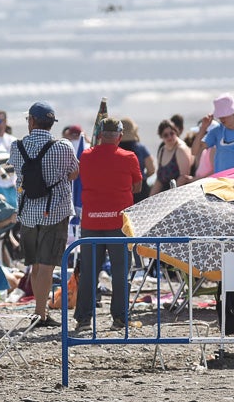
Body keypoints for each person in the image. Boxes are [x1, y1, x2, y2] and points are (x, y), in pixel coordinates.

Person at [7, 101, 79, 327]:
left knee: (35, 265)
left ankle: (39, 311)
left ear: (31, 121)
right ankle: (41, 313)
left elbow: (18, 172)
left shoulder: (16, 147)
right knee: (48, 264)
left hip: (27, 212)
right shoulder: (63, 146)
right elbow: (74, 172)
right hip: (54, 211)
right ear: (50, 124)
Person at [74, 118, 142, 331]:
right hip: (118, 223)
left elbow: (83, 177)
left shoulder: (86, 156)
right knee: (121, 271)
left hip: (91, 221)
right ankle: (120, 318)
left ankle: (84, 319)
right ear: (120, 136)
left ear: (100, 134)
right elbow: (138, 186)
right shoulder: (129, 157)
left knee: (89, 271)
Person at [190, 93, 234, 175]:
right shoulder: (217, 131)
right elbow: (194, 151)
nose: (221, 118)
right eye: (220, 115)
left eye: (224, 115)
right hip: (220, 181)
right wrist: (203, 128)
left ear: (233, 112)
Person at [117, 118, 153, 204]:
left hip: (120, 188)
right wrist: (142, 176)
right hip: (140, 188)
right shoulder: (141, 148)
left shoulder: (115, 149)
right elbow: (151, 169)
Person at [152, 119, 192, 195]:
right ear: (161, 137)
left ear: (176, 133)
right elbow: (159, 179)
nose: (169, 137)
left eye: (172, 133)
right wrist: (150, 198)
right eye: (166, 135)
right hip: (166, 194)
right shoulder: (162, 150)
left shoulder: (181, 149)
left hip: (179, 194)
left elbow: (184, 177)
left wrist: (170, 196)